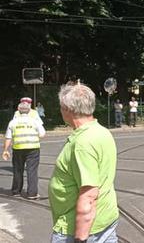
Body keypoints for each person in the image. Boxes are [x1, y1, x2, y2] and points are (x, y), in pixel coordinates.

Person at [48, 83, 118, 243]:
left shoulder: (83, 143)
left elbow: (89, 196)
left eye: (61, 107)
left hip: (78, 229)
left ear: (68, 109)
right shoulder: (101, 131)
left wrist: (80, 239)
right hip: (105, 219)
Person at [4, 102, 45, 199]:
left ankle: (16, 191)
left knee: (18, 170)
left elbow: (8, 138)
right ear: (30, 110)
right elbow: (42, 134)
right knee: (32, 171)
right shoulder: (34, 121)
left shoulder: (13, 122)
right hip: (33, 149)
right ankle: (32, 193)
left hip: (18, 149)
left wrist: (5, 150)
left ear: (18, 110)